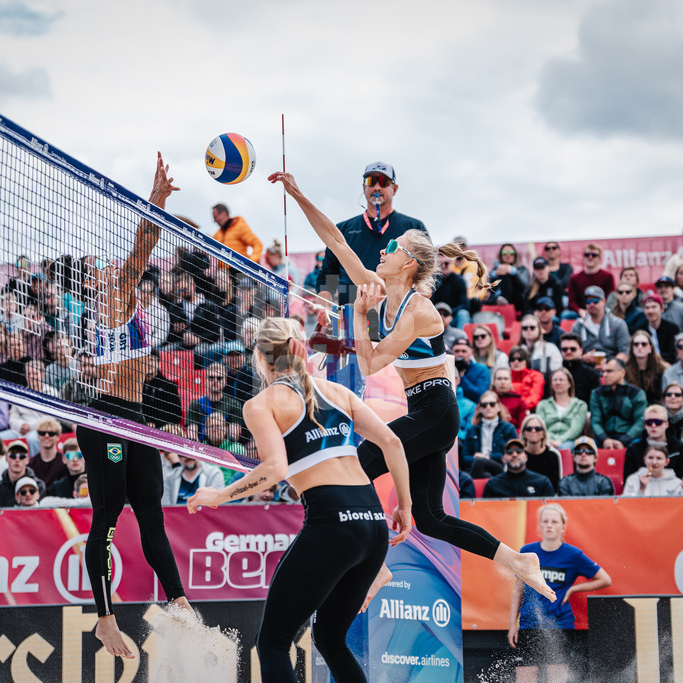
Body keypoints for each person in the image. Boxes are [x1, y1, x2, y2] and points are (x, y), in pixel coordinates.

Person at [272, 170, 556, 609]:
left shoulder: (419, 310)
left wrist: (362, 319)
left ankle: (375, 566)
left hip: (437, 411)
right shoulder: (383, 289)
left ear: (407, 262)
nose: (382, 251)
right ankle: (518, 561)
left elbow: (370, 362)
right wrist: (299, 194)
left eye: (391, 248)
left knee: (357, 465)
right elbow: (337, 242)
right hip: (427, 410)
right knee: (432, 518)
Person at [187, 316, 415, 682]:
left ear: (259, 357)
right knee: (329, 638)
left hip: (333, 523)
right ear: (300, 348)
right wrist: (404, 506)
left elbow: (274, 469)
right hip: (372, 525)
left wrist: (220, 495)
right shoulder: (337, 392)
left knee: (273, 643)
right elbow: (392, 442)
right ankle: (379, 571)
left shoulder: (262, 404)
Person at [71, 154, 193, 656]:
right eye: (102, 275)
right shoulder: (115, 299)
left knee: (151, 514)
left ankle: (180, 601)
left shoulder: (131, 312)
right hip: (106, 423)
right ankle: (104, 617)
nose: (112, 277)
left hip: (134, 419)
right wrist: (158, 200)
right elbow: (141, 249)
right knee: (109, 513)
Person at [509, 503, 611, 679]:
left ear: (563, 526)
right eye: (545, 521)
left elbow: (605, 579)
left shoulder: (573, 555)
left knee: (557, 678)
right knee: (525, 678)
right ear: (539, 525)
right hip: (529, 624)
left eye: (554, 522)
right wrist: (512, 625)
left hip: (560, 624)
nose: (549, 525)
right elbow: (518, 590)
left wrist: (574, 589)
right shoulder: (527, 552)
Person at [313, 162, 428, 306]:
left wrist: (415, 305)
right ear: (364, 187)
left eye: (383, 182)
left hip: (397, 315)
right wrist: (324, 307)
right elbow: (328, 275)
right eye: (371, 181)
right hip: (352, 314)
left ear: (395, 188)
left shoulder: (414, 228)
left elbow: (428, 275)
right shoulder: (343, 229)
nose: (377, 187)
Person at [622, 404, 683, 481]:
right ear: (645, 425)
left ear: (666, 424)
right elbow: (628, 481)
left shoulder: (680, 448)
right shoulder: (633, 450)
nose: (653, 425)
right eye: (649, 422)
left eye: (658, 422)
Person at [590, 359, 647, 448]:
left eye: (609, 371)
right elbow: (595, 421)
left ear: (622, 373)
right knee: (586, 446)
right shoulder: (597, 393)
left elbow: (640, 421)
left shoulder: (636, 393)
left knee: (639, 446)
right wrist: (605, 439)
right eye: (603, 371)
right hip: (604, 438)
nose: (604, 375)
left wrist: (624, 440)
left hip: (630, 438)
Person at [460, 391, 515, 477]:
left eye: (492, 404)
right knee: (486, 474)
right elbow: (465, 458)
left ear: (499, 407)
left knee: (480, 462)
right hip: (477, 467)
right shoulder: (472, 430)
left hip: (499, 467)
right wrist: (476, 458)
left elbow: (512, 454)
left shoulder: (508, 428)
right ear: (480, 409)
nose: (488, 407)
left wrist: (487, 457)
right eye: (484, 405)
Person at [571, 286, 630, 363]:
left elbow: (625, 352)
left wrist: (610, 364)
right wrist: (583, 358)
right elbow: (571, 353)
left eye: (595, 300)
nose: (591, 304)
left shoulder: (618, 324)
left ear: (604, 301)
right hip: (586, 368)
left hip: (613, 368)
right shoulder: (578, 326)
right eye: (588, 301)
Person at [536, 368, 588, 452]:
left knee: (564, 448)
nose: (557, 382)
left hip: (569, 441)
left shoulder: (580, 405)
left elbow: (575, 429)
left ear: (569, 383)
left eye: (561, 380)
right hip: (547, 440)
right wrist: (549, 440)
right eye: (555, 380)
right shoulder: (543, 405)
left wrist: (560, 441)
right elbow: (541, 426)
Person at [482, 439, 556, 498]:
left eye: (519, 451)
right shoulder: (493, 484)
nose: (514, 455)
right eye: (509, 452)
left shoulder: (542, 482)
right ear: (503, 459)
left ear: (526, 457)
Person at [0, 442, 47, 506]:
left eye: (22, 456)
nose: (17, 460)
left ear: (27, 460)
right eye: (13, 456)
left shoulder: (38, 486)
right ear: (6, 458)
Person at [566, 244, 615, 315]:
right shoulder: (574, 278)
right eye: (587, 254)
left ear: (600, 258)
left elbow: (610, 300)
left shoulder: (608, 277)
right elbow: (571, 302)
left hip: (602, 312)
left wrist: (600, 311)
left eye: (594, 255)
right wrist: (580, 311)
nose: (590, 257)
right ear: (583, 257)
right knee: (567, 315)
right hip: (581, 313)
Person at [519, 414, 563, 492]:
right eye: (529, 428)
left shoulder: (553, 455)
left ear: (543, 433)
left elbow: (555, 485)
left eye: (538, 428)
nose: (533, 431)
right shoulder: (518, 455)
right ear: (524, 433)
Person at [627, 329, 670, 404]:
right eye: (636, 344)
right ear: (632, 348)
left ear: (650, 348)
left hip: (657, 409)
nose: (640, 347)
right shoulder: (624, 369)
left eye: (644, 344)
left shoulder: (662, 369)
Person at [558, 334, 601, 404]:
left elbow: (596, 402)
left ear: (581, 350)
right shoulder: (555, 375)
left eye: (573, 349)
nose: (568, 352)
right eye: (565, 349)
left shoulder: (591, 375)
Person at [433, 252, 471, 327]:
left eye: (446, 263)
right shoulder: (432, 281)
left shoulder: (459, 280)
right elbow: (429, 302)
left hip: (453, 316)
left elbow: (465, 304)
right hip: (436, 316)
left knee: (463, 314)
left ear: (451, 263)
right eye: (440, 264)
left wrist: (448, 313)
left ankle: (462, 337)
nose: (443, 266)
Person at [490, 243, 529, 311]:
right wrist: (496, 275)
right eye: (504, 253)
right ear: (501, 255)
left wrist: (513, 272)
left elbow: (525, 286)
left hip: (517, 302)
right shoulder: (495, 270)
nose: (508, 255)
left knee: (506, 275)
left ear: (515, 255)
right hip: (496, 301)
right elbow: (489, 288)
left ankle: (504, 300)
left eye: (511, 252)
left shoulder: (522, 269)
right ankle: (503, 300)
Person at [452, 338, 491, 404]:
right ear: (451, 352)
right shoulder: (446, 369)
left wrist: (461, 376)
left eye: (464, 351)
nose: (460, 354)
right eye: (457, 351)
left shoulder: (481, 369)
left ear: (471, 353)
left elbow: (480, 396)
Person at [509, 347, 546, 414]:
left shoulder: (536, 375)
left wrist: (519, 407)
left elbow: (535, 397)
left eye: (520, 359)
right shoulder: (505, 376)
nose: (516, 362)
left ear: (527, 361)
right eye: (512, 359)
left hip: (530, 412)